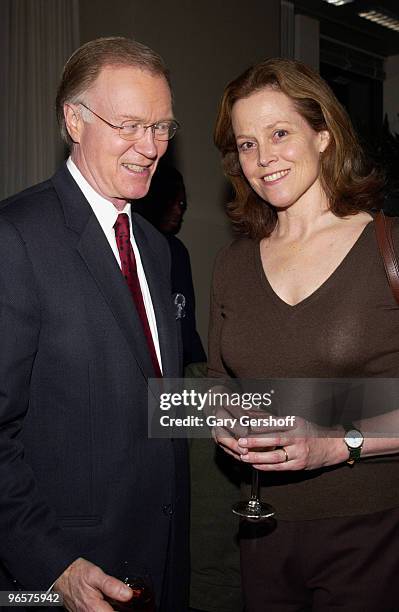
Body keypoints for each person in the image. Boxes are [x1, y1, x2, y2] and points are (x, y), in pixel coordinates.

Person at [0, 37, 189, 611]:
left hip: (158, 562)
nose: (149, 147)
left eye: (161, 128)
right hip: (66, 573)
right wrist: (54, 566)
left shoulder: (154, 249)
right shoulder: (16, 238)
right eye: (129, 125)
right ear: (74, 121)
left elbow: (149, 398)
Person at [210, 57, 399, 611]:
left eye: (279, 132)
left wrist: (334, 445)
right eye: (247, 144)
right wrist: (217, 419)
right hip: (262, 530)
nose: (263, 157)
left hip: (374, 532)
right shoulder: (232, 263)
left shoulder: (388, 249)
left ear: (323, 134)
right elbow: (220, 383)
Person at [135, 166, 243, 612]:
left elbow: (189, 336)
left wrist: (202, 382)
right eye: (175, 198)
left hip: (187, 394)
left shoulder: (173, 253)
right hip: (146, 404)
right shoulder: (140, 250)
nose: (182, 207)